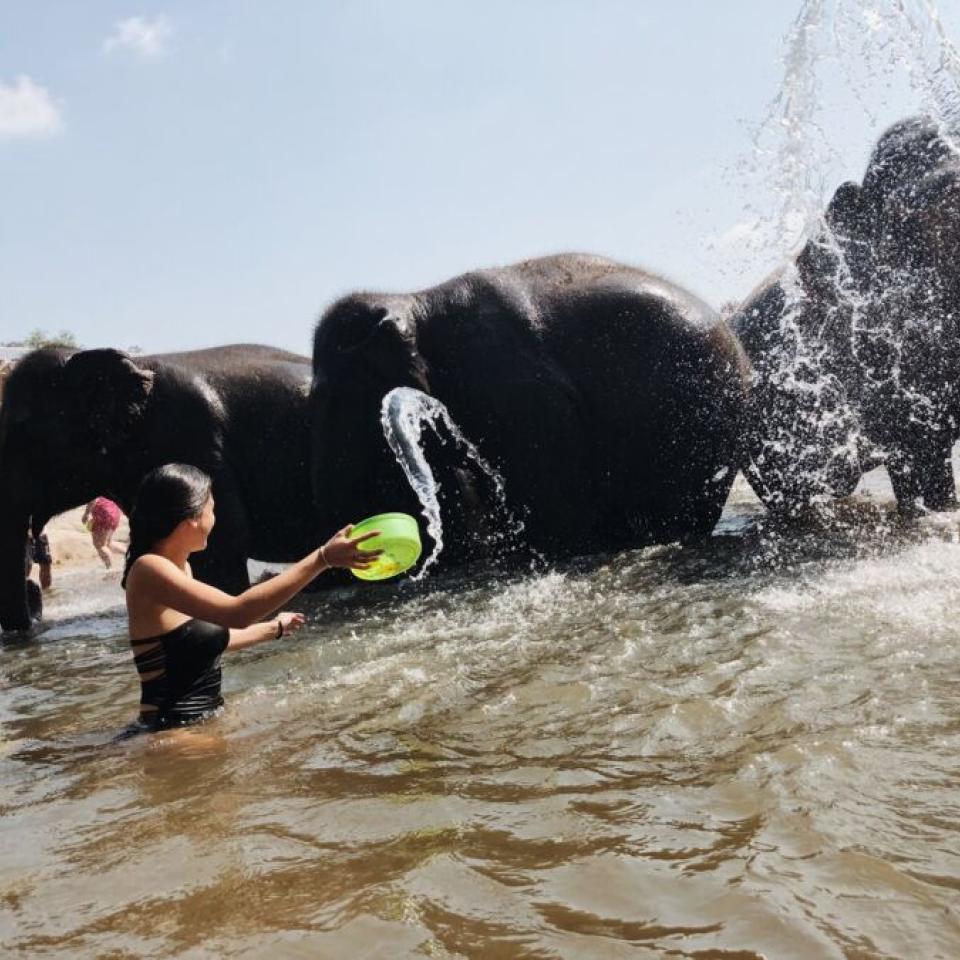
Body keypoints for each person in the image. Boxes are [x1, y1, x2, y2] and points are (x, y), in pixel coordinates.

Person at [122, 463, 381, 732]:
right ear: (193, 520)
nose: (215, 518)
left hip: (198, 723)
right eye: (212, 509)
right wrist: (322, 558)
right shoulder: (149, 570)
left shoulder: (179, 568)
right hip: (169, 730)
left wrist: (274, 629)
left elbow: (197, 643)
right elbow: (237, 612)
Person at [81, 496, 126, 569]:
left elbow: (93, 499)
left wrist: (86, 514)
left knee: (100, 545)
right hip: (113, 511)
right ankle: (129, 554)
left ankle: (110, 569)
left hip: (103, 513)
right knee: (108, 544)